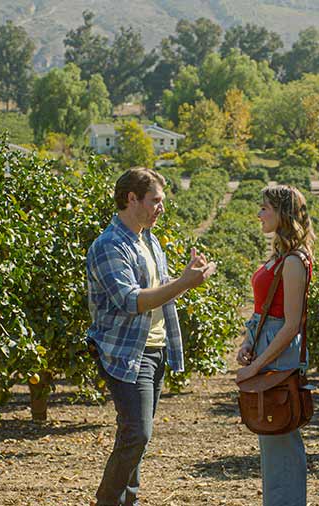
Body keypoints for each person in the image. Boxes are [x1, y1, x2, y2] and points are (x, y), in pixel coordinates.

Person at [86, 167, 217, 506]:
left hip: (155, 349)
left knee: (136, 438)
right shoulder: (109, 246)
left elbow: (159, 291)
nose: (161, 208)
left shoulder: (150, 240)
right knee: (137, 434)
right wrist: (184, 282)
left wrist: (190, 278)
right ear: (132, 199)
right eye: (155, 200)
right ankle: (107, 501)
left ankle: (128, 501)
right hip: (127, 353)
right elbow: (132, 301)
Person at [235, 184, 315, 506]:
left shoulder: (295, 261)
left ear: (283, 214)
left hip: (279, 351)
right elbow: (264, 308)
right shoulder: (280, 256)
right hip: (267, 345)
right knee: (271, 432)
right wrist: (248, 341)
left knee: (280, 427)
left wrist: (256, 366)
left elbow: (291, 324)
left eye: (265, 208)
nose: (259, 214)